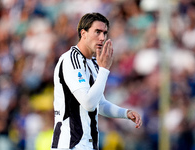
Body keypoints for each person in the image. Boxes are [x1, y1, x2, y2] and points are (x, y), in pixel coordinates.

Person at [51, 12, 142, 150]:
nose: (102, 38)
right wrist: (104, 69)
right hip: (70, 144)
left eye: (105, 33)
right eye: (97, 32)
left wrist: (125, 113)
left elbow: (99, 103)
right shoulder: (70, 60)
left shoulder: (93, 63)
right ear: (83, 33)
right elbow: (88, 103)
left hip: (88, 144)